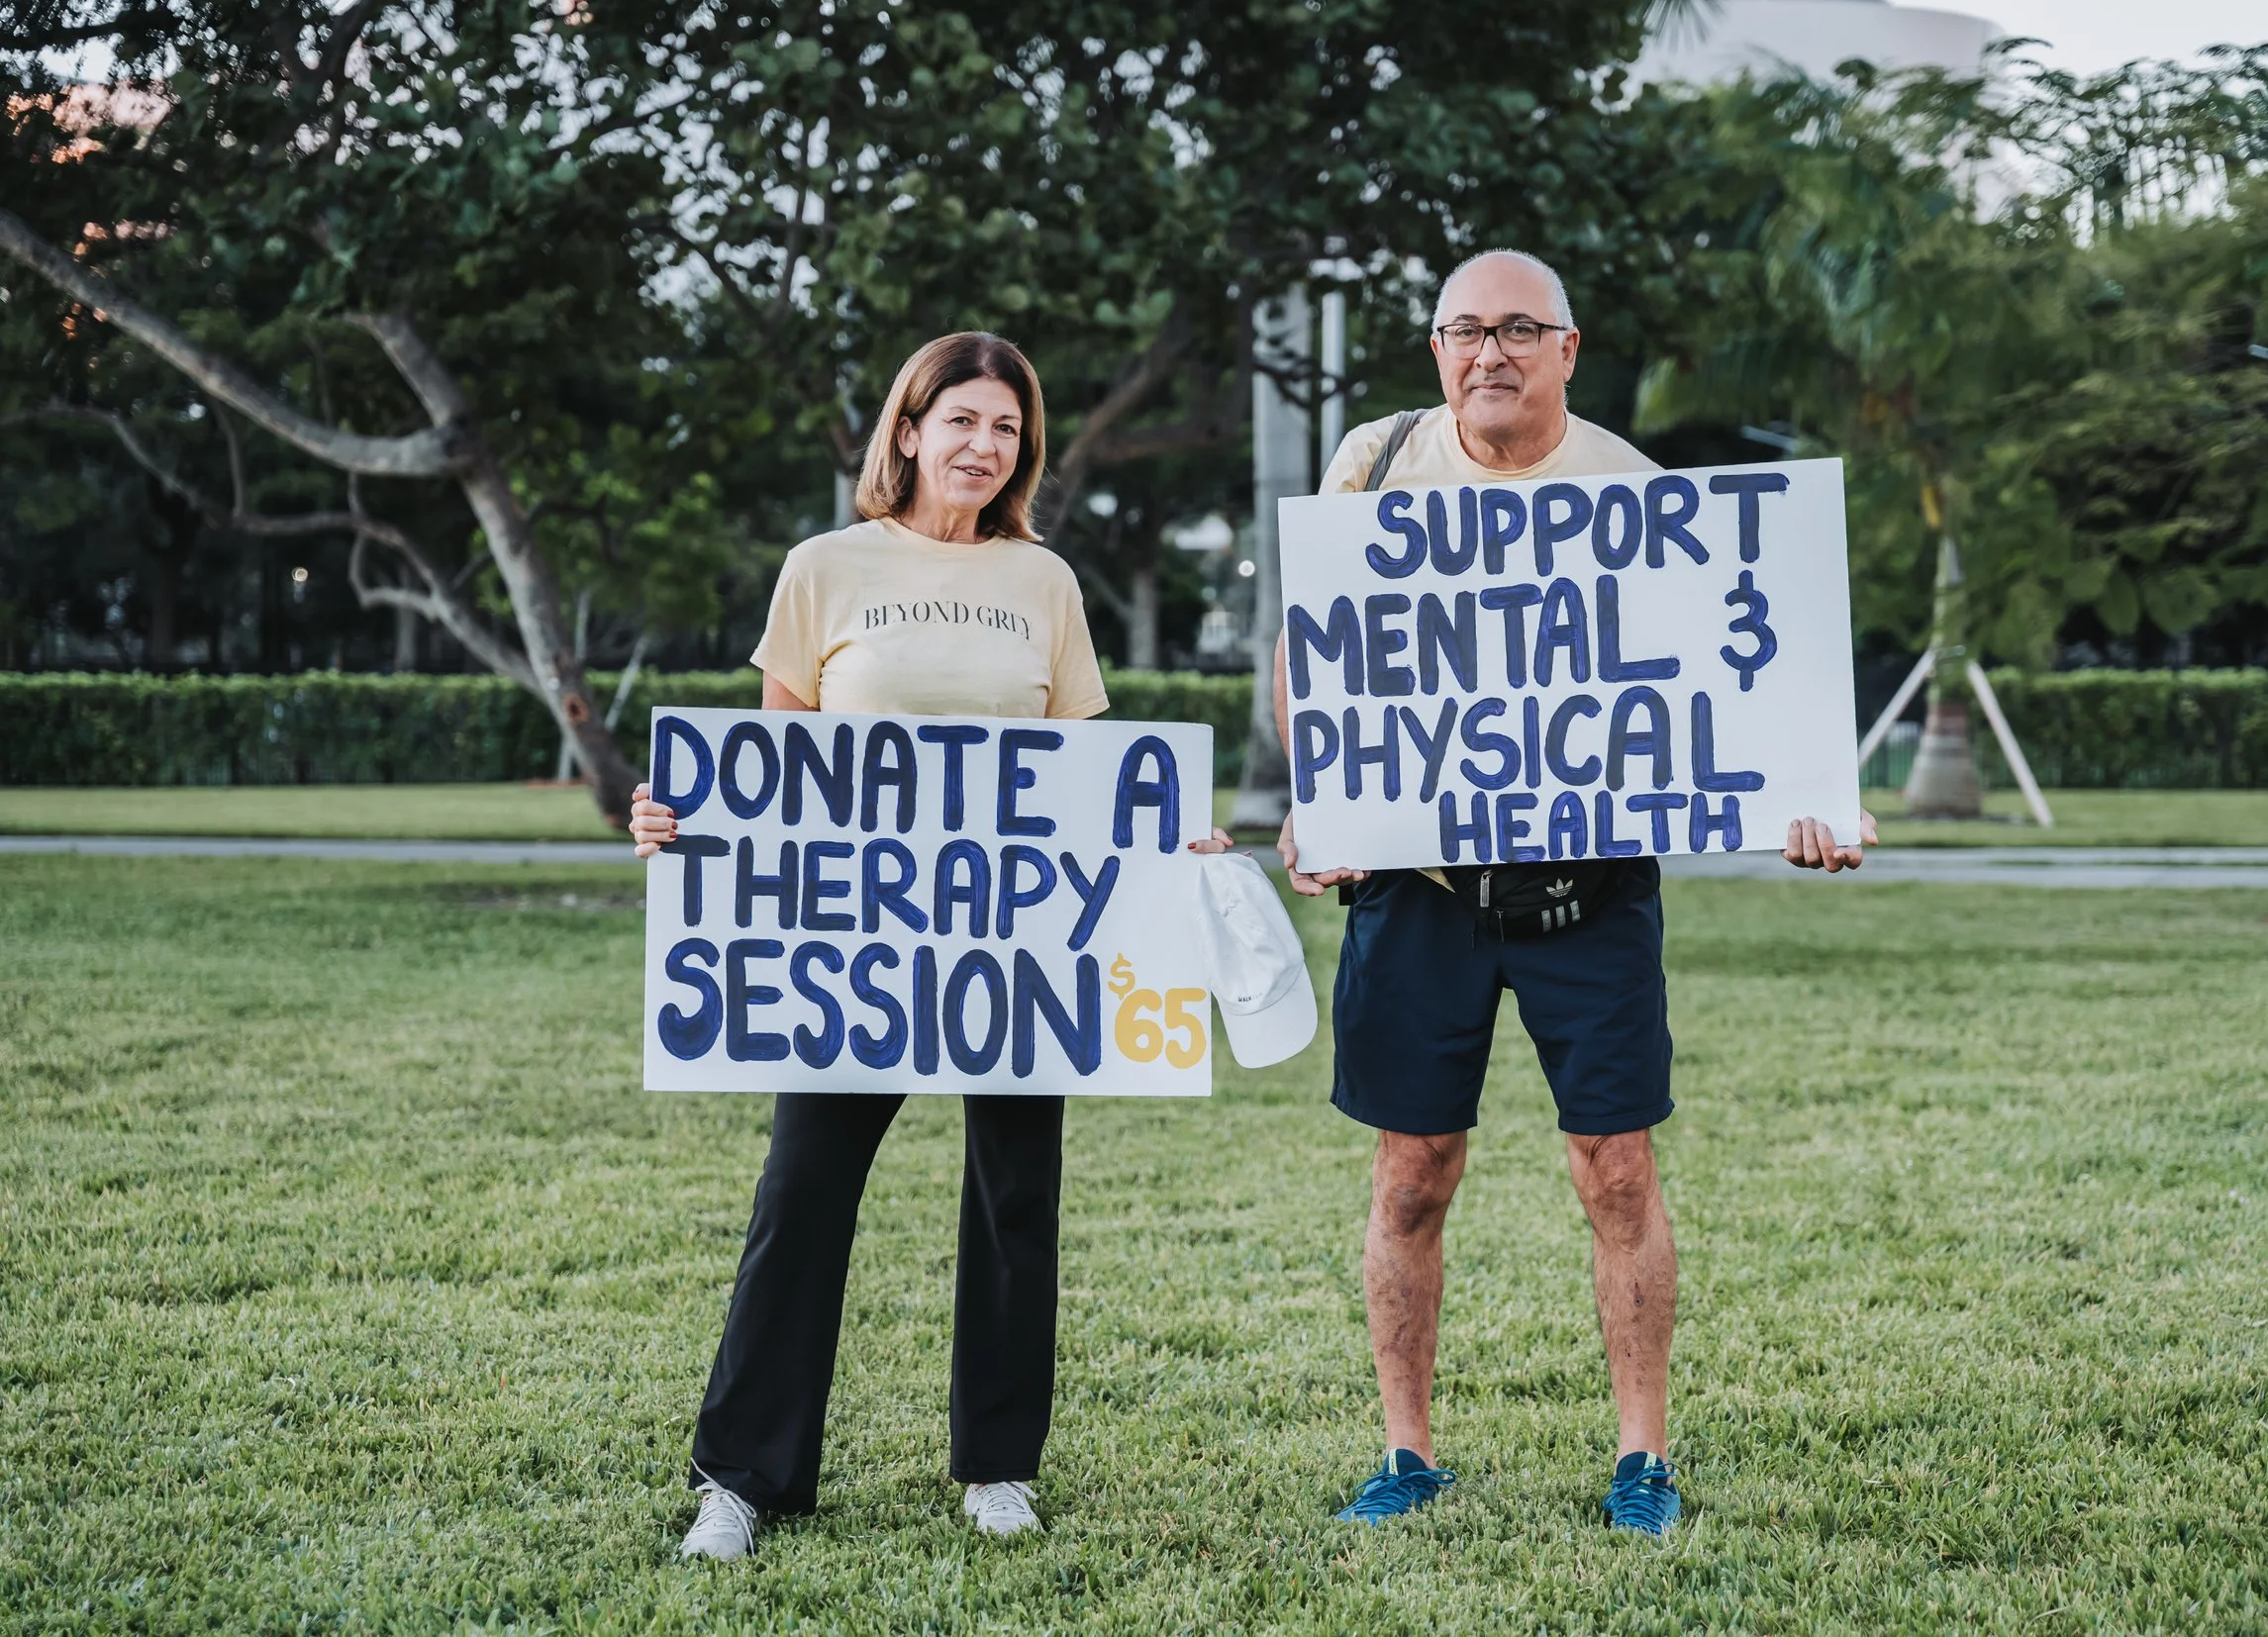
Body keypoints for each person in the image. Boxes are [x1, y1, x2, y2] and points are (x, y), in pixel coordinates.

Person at [1275, 250, 1876, 1538]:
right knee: (1411, 1174)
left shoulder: (1634, 494)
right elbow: (1312, 645)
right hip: (1420, 888)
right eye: (1463, 330)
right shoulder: (1373, 466)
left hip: (1589, 890)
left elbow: (1731, 692)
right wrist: (1319, 797)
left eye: (1517, 329)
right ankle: (1406, 1450)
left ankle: (1643, 1457)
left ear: (1566, 347)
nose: (1488, 352)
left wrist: (1812, 799)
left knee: (1615, 1169)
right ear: (1437, 349)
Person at [629, 332, 1230, 1560]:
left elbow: (1087, 776)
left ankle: (999, 1464)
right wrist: (679, 822)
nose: (982, 445)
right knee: (801, 1193)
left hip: (1013, 952)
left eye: (1005, 429)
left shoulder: (1044, 584)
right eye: (959, 419)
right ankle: (741, 1477)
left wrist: (1175, 837)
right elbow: (773, 776)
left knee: (1017, 1197)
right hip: (860, 947)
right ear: (906, 430)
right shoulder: (825, 566)